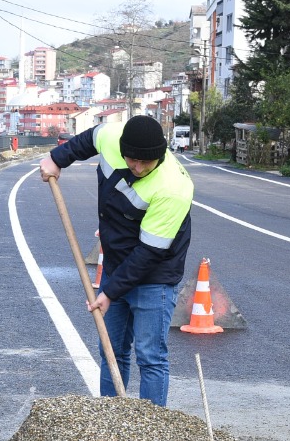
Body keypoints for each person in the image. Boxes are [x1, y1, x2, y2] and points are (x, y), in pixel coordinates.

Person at [38, 114, 195, 405]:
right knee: (111, 349)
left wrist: (109, 292)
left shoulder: (173, 189)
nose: (137, 168)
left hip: (155, 274)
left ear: (159, 157)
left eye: (145, 163)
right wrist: (57, 159)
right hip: (115, 261)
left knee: (150, 356)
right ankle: (112, 417)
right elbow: (87, 140)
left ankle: (152, 427)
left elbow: (148, 253)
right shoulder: (111, 137)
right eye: (131, 160)